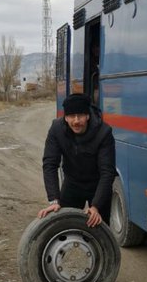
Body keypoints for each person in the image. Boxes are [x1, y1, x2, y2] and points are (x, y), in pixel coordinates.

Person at [37, 92, 117, 228]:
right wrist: (54, 200)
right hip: (72, 183)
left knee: (99, 228)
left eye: (80, 115)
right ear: (65, 117)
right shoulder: (56, 130)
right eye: (71, 116)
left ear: (87, 116)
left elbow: (107, 172)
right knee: (62, 225)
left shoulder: (104, 132)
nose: (76, 121)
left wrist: (96, 206)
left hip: (97, 185)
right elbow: (49, 164)